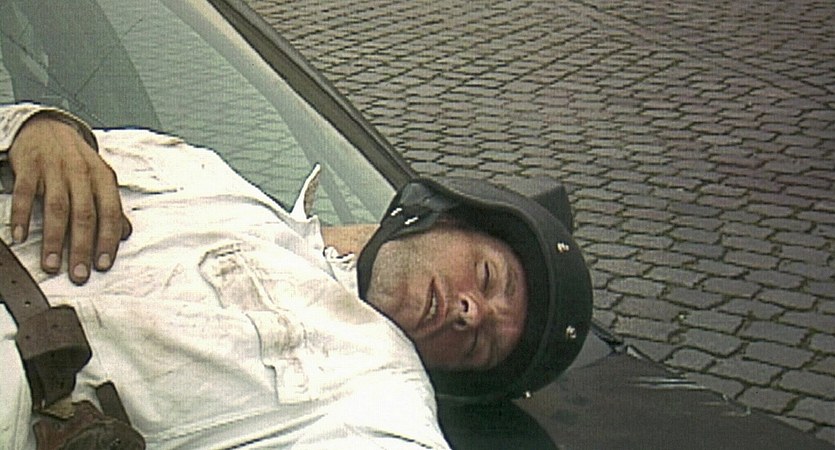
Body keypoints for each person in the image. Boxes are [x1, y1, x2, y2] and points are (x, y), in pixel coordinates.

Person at [0, 103, 592, 448]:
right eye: (488, 278)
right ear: (449, 215)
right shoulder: (207, 174)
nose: (471, 312)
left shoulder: (377, 391)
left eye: (482, 343)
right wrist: (33, 128)